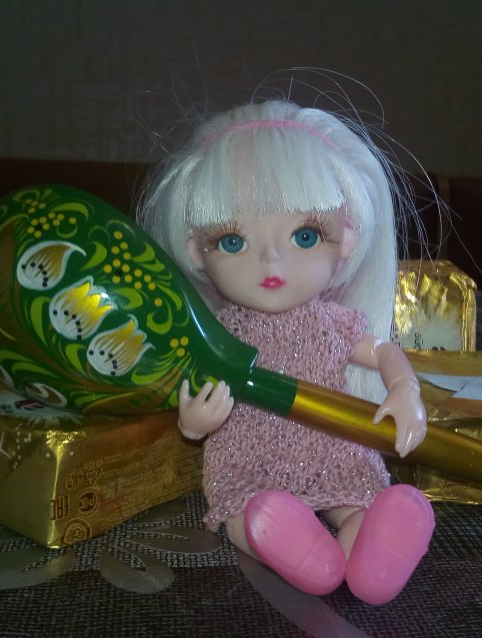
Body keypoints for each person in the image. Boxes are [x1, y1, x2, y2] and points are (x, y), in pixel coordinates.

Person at [137, 98, 434, 604]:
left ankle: (374, 545)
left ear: (346, 240)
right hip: (249, 455)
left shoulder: (333, 324)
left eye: (305, 236)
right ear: (196, 252)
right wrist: (195, 421)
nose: (271, 261)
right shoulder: (219, 335)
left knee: (358, 499)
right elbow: (192, 391)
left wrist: (405, 388)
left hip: (331, 444)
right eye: (233, 241)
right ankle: (290, 543)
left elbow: (382, 351)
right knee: (246, 512)